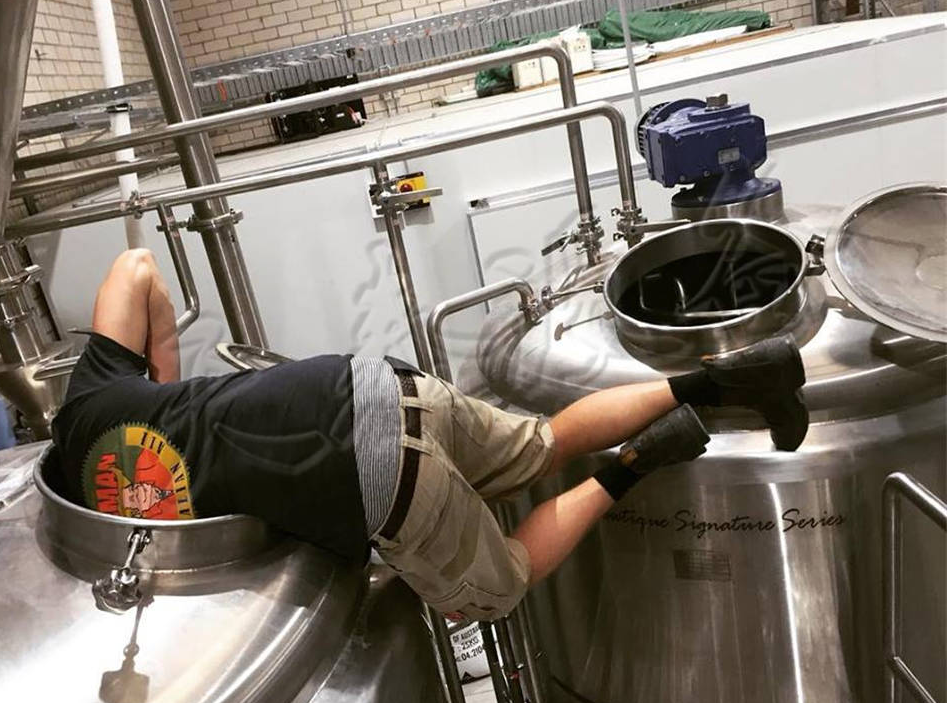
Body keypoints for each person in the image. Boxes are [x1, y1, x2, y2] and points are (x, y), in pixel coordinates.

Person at [52, 249, 808, 621]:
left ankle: (644, 458)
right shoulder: (88, 396)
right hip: (371, 381)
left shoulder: (131, 532)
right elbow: (136, 266)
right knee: (543, 444)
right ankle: (732, 376)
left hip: (374, 472)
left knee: (493, 591)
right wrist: (161, 381)